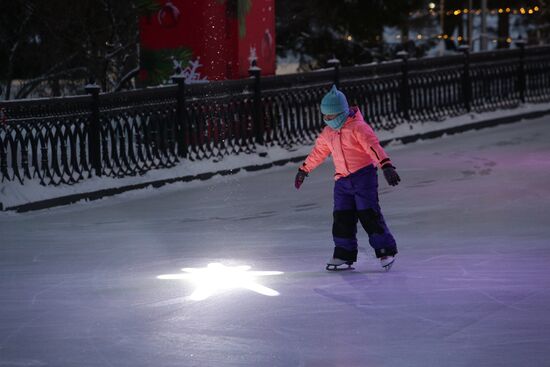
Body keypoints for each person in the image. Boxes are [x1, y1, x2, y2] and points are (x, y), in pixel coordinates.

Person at [294, 85, 401, 271]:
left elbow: (373, 147)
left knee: (369, 214)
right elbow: (318, 152)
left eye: (331, 116)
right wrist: (304, 169)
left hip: (363, 176)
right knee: (342, 217)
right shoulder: (328, 133)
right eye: (325, 116)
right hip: (342, 181)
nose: (327, 120)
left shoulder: (358, 128)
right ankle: (343, 253)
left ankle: (385, 250)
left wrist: (386, 165)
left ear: (341, 112)